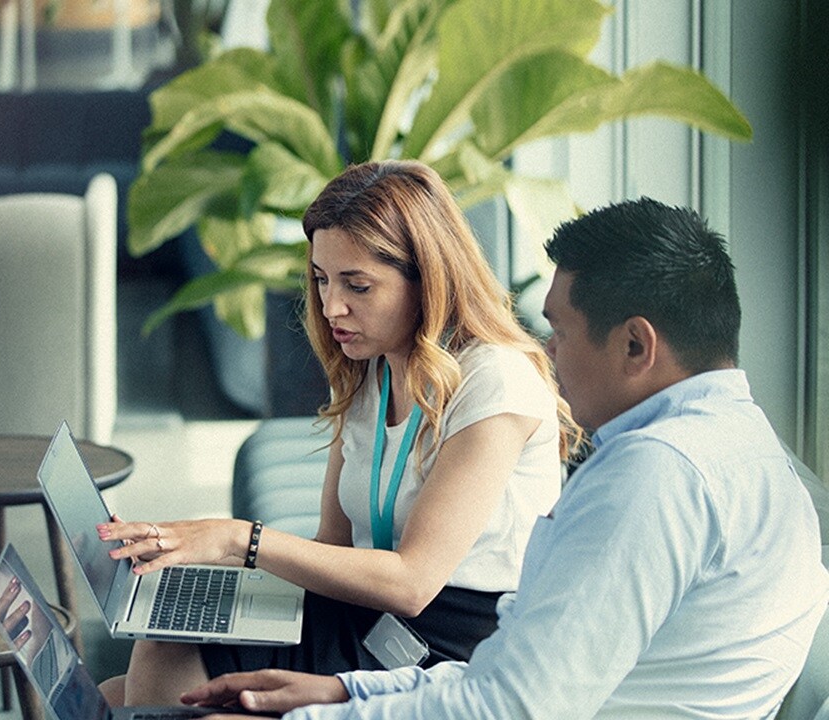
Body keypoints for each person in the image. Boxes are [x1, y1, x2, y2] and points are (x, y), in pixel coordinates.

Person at [180, 197, 829, 719]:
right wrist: (355, 693)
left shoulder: (658, 479)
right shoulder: (734, 452)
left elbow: (515, 705)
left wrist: (316, 715)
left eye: (561, 331)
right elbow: (524, 676)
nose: (546, 353)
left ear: (636, 345)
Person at [98, 160, 580, 705]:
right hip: (370, 616)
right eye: (322, 279)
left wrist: (237, 538)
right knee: (116, 689)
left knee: (164, 669)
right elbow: (332, 547)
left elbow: (413, 583)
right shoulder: (372, 369)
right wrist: (192, 551)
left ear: (429, 279)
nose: (331, 307)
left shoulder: (494, 381)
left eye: (358, 285)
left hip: (448, 643)